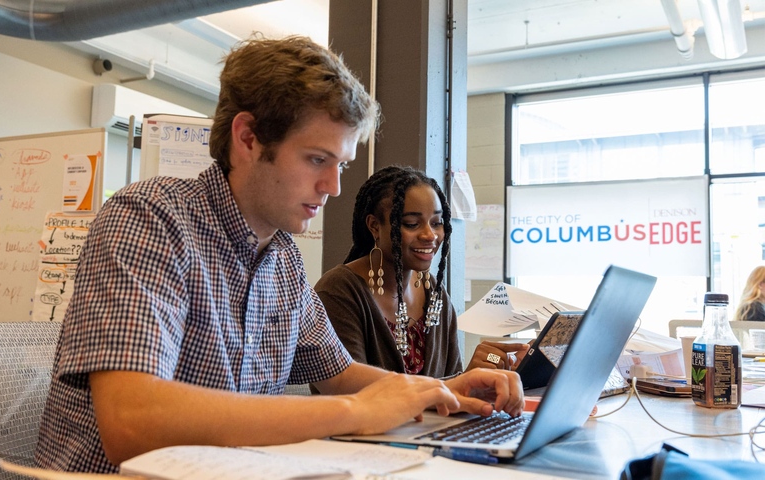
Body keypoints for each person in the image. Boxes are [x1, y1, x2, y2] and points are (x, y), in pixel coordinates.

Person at [34, 36, 524, 473]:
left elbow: (339, 374)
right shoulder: (150, 220)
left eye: (341, 165)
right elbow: (132, 423)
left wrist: (442, 391)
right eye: (317, 159)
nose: (332, 187)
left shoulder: (284, 256)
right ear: (247, 138)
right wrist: (356, 413)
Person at [314, 165, 529, 380]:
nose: (430, 235)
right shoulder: (339, 291)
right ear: (374, 226)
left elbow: (449, 394)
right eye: (412, 224)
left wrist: (482, 372)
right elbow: (354, 395)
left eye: (437, 223)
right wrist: (461, 382)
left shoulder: (434, 293)